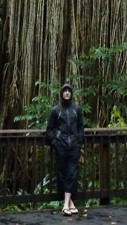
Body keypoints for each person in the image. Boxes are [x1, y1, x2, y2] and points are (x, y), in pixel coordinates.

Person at [46, 82, 85, 215]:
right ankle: (70, 203)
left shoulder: (76, 110)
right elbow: (49, 130)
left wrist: (78, 141)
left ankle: (65, 205)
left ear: (71, 93)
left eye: (69, 91)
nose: (67, 92)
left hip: (74, 146)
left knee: (72, 173)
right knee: (62, 173)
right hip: (61, 146)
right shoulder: (56, 111)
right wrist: (56, 142)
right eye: (65, 91)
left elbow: (80, 127)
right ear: (62, 93)